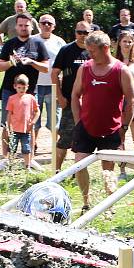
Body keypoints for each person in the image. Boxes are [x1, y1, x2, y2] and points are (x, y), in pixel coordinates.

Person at [71, 30, 134, 209]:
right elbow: (75, 95)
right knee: (79, 165)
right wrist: (78, 122)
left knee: (108, 170)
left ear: (106, 48)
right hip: (86, 126)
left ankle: (109, 205)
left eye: (92, 51)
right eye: (88, 51)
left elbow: (131, 100)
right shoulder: (84, 69)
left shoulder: (121, 70)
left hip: (111, 128)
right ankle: (86, 202)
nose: (89, 55)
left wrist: (124, 127)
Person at [0, 13, 49, 170]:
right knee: (7, 124)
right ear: (16, 26)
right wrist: (11, 62)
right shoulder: (9, 44)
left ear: (31, 26)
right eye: (20, 25)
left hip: (30, 92)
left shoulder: (38, 44)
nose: (23, 28)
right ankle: (6, 158)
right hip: (9, 91)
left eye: (26, 25)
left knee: (30, 125)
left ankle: (29, 159)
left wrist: (31, 62)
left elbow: (46, 68)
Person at [51, 21, 90, 172]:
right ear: (75, 33)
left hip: (89, 103)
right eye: (79, 32)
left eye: (85, 33)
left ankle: (78, 170)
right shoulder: (66, 50)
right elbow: (54, 73)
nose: (82, 36)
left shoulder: (93, 50)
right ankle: (56, 171)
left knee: (83, 139)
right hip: (69, 101)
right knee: (65, 139)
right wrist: (59, 96)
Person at [33, 14, 65, 158]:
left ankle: (56, 147)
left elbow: (65, 65)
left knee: (55, 121)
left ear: (54, 26)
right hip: (35, 85)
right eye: (43, 22)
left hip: (53, 85)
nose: (46, 25)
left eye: (49, 23)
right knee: (34, 121)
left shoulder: (59, 42)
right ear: (39, 24)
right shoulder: (32, 40)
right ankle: (32, 146)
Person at [114, 29, 134, 159]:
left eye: (130, 41)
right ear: (119, 43)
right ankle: (122, 169)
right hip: (118, 99)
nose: (127, 44)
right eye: (124, 41)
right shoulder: (114, 61)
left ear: (133, 43)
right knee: (120, 138)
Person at [7, 73, 40, 169]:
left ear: (27, 87)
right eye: (19, 87)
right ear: (15, 87)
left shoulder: (31, 98)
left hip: (26, 129)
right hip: (15, 129)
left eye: (23, 88)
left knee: (26, 149)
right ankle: (10, 166)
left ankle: (27, 166)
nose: (21, 90)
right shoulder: (11, 98)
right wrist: (8, 127)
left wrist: (33, 122)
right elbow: (9, 114)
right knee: (12, 148)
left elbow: (37, 111)